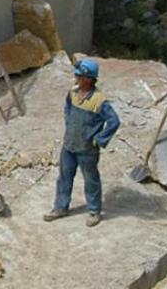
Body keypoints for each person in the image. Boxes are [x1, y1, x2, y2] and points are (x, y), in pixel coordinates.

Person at [45, 59, 121, 227]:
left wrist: (99, 139)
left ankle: (94, 211)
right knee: (64, 178)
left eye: (79, 75)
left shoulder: (99, 101)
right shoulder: (72, 93)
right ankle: (60, 207)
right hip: (69, 146)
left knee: (91, 180)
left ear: (88, 78)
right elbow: (67, 108)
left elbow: (114, 122)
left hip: (87, 150)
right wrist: (69, 123)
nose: (76, 78)